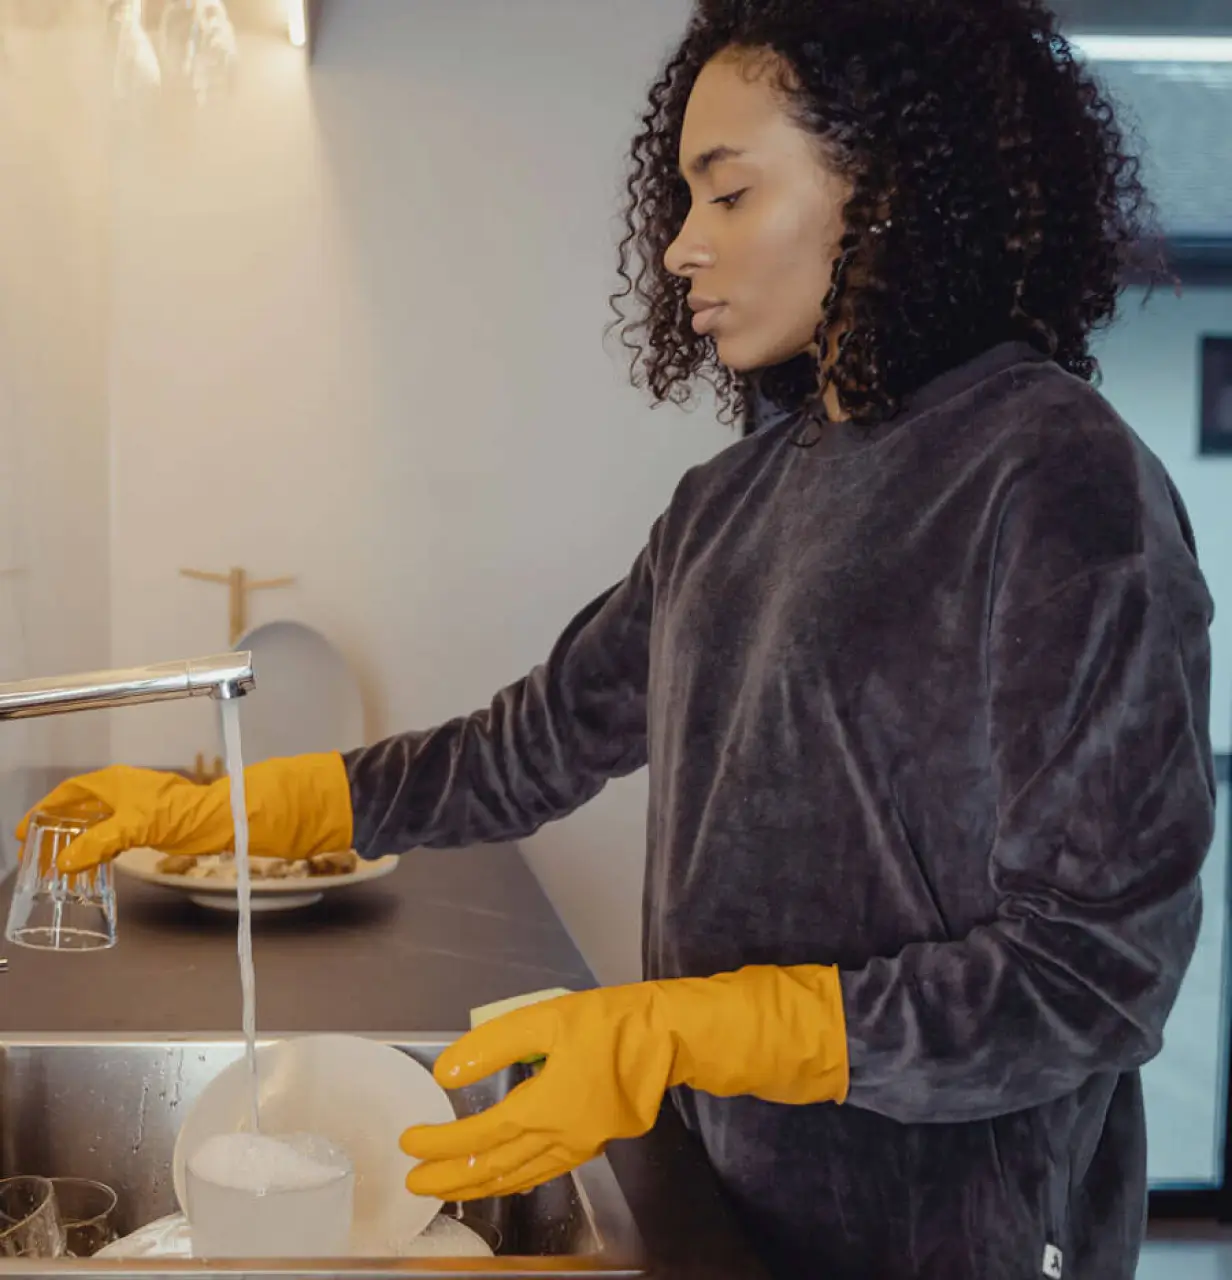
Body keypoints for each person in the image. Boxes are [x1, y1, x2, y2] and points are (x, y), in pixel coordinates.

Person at [22, 0, 1217, 1276]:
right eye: (683, 199)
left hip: (951, 1238)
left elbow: (1090, 974)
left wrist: (677, 1030)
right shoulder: (730, 502)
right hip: (728, 1196)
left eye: (729, 195)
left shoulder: (1055, 477)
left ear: (884, 193)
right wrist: (226, 812)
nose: (677, 250)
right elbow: (518, 750)